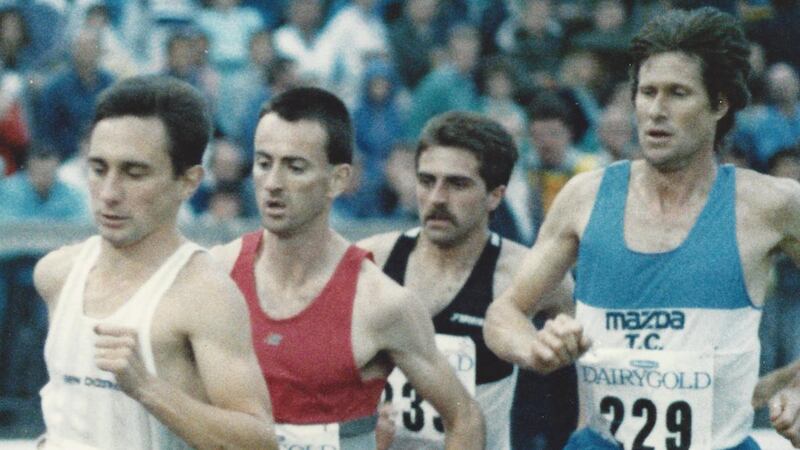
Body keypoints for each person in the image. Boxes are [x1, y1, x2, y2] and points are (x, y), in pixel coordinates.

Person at [483, 7, 800, 450]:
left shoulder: (770, 205)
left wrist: (793, 381)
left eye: (677, 93)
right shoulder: (586, 197)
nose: (656, 110)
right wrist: (534, 349)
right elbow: (503, 314)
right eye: (647, 92)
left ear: (720, 103)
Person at [209, 87, 485, 450]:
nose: (273, 183)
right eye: (264, 163)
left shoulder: (381, 303)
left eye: (295, 167)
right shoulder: (217, 272)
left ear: (338, 179)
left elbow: (465, 418)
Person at [32, 75, 277, 450]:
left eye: (134, 173)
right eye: (99, 169)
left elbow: (258, 442)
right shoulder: (56, 274)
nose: (110, 193)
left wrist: (148, 389)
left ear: (188, 181)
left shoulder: (204, 294)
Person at [357, 111, 573, 449]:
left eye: (457, 184)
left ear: (495, 196)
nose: (437, 198)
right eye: (427, 181)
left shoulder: (526, 274)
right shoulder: (372, 262)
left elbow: (578, 376)